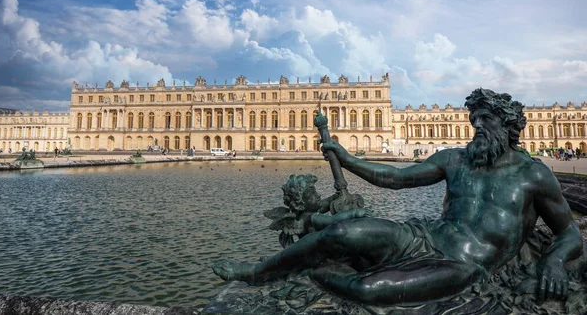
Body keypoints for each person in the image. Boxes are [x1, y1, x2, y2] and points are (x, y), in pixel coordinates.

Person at [213, 89, 583, 305]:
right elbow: (395, 178)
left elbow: (569, 233)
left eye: (484, 120)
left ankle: (314, 275)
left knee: (371, 288)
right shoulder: (456, 158)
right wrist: (347, 158)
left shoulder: (534, 174)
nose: (476, 127)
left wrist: (553, 261)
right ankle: (259, 272)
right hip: (423, 236)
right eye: (474, 120)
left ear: (508, 124)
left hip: (465, 265)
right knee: (342, 233)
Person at [264, 174, 372, 248]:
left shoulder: (304, 213)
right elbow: (333, 220)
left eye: (316, 192)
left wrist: (333, 197)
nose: (318, 195)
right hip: (318, 253)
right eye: (312, 196)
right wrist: (354, 213)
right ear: (301, 204)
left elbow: (324, 204)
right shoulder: (312, 218)